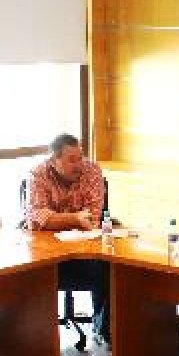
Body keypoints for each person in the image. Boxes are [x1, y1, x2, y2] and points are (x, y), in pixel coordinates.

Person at [24, 134, 110, 342]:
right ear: (54, 161)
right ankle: (37, 340)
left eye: (80, 157)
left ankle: (104, 328)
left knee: (109, 268)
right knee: (28, 274)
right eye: (72, 160)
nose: (79, 164)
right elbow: (37, 221)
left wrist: (57, 219)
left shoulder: (92, 171)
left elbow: (92, 218)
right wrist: (74, 218)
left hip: (85, 249)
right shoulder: (38, 174)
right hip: (46, 252)